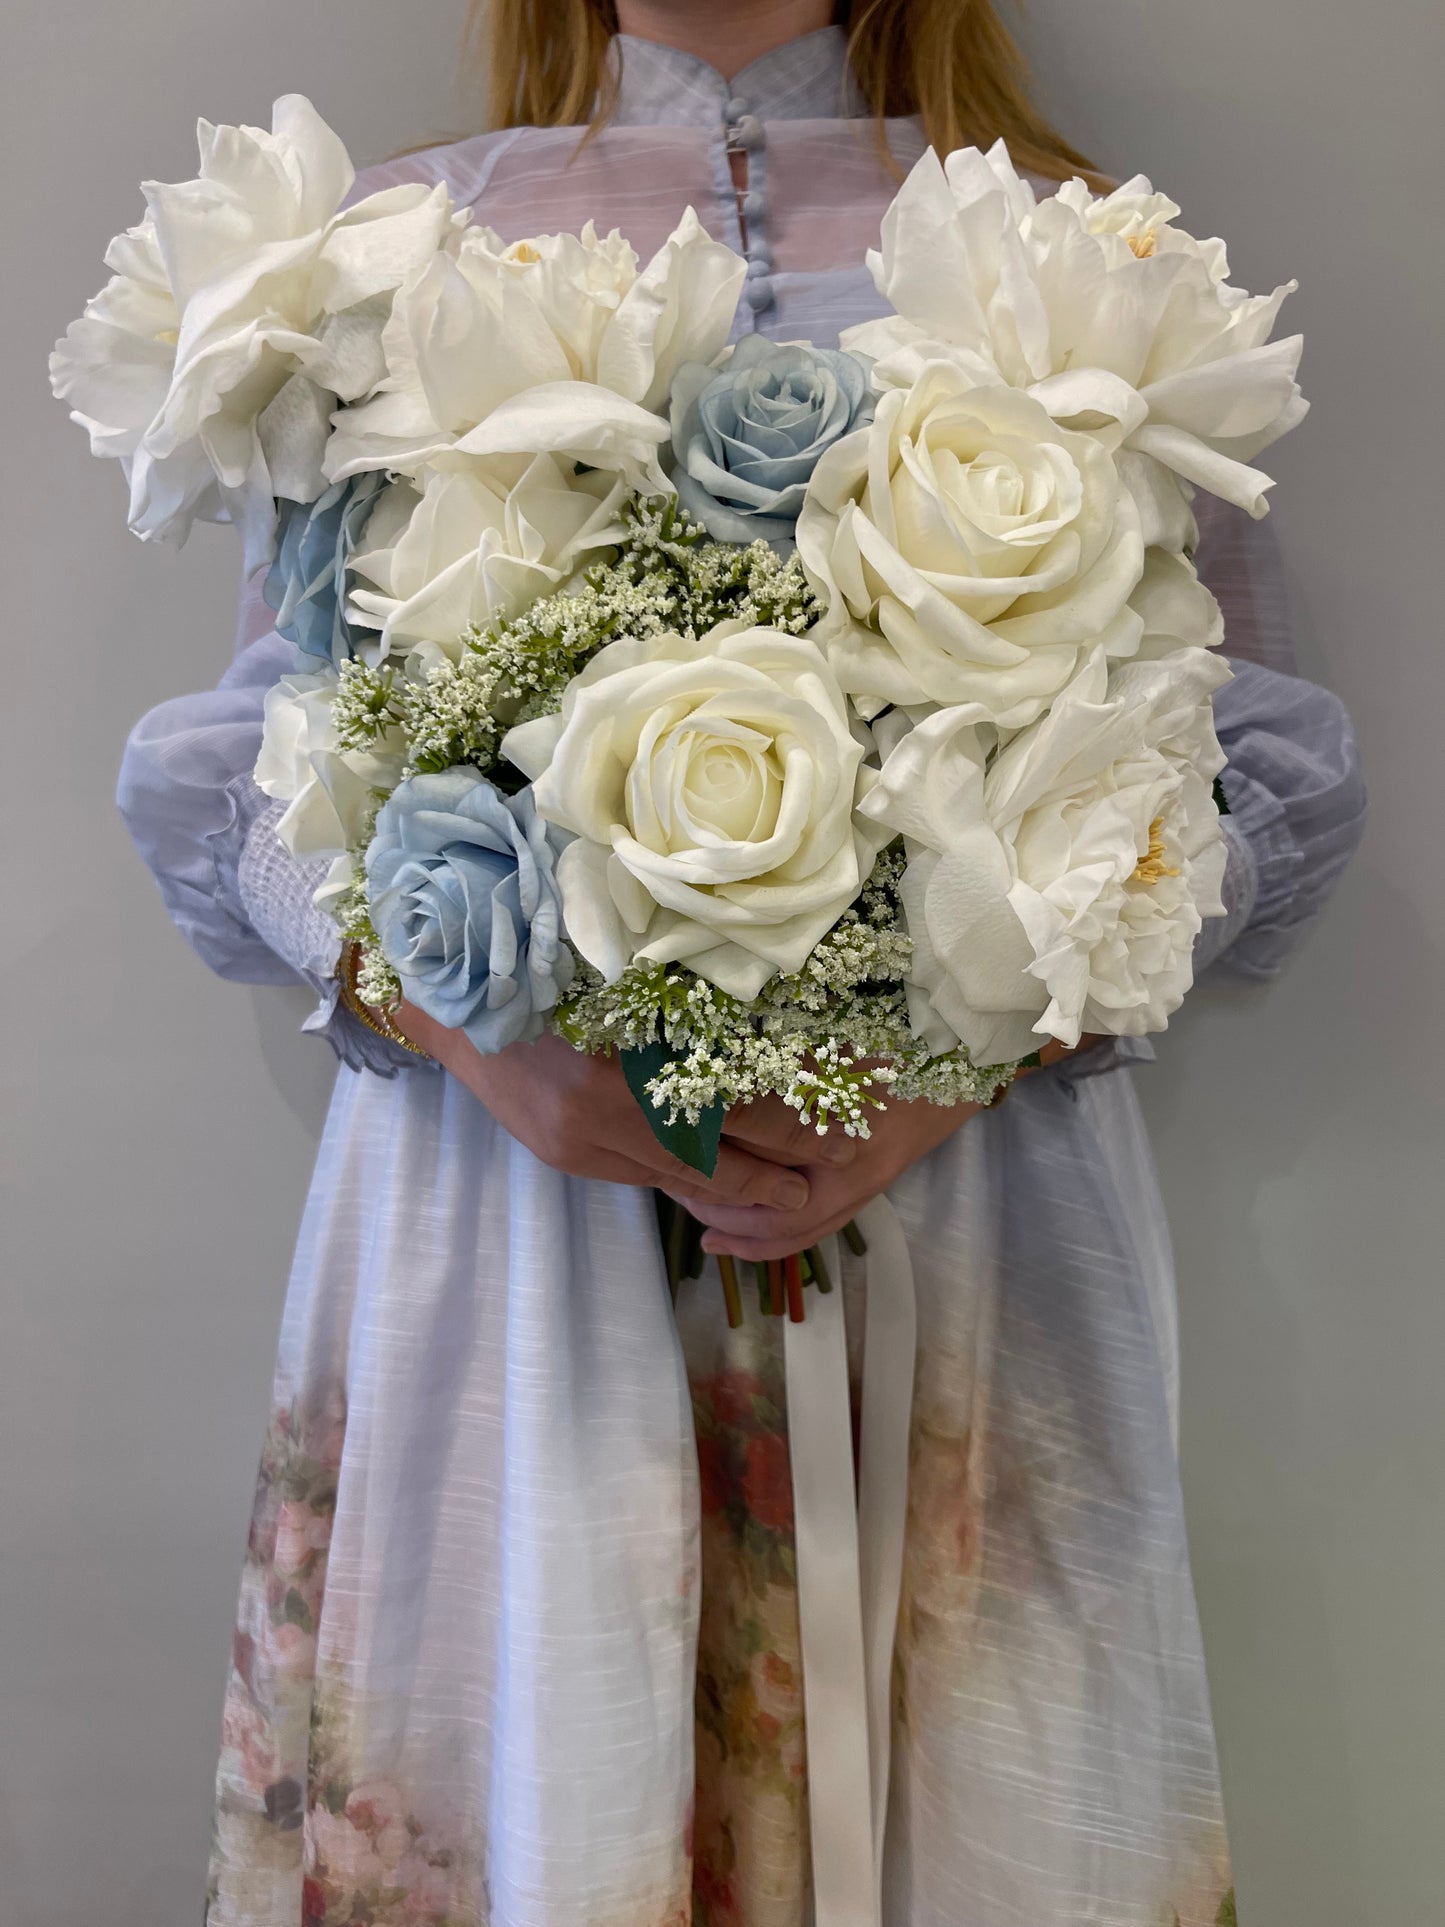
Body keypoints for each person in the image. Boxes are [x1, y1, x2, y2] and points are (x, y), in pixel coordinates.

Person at [118, 3, 1366, 1922]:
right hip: (504, 1236)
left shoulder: (1087, 252)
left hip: (952, 1224)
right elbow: (265, 777)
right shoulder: (376, 250)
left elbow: (1225, 774)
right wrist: (470, 1031)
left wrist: (948, 1066)